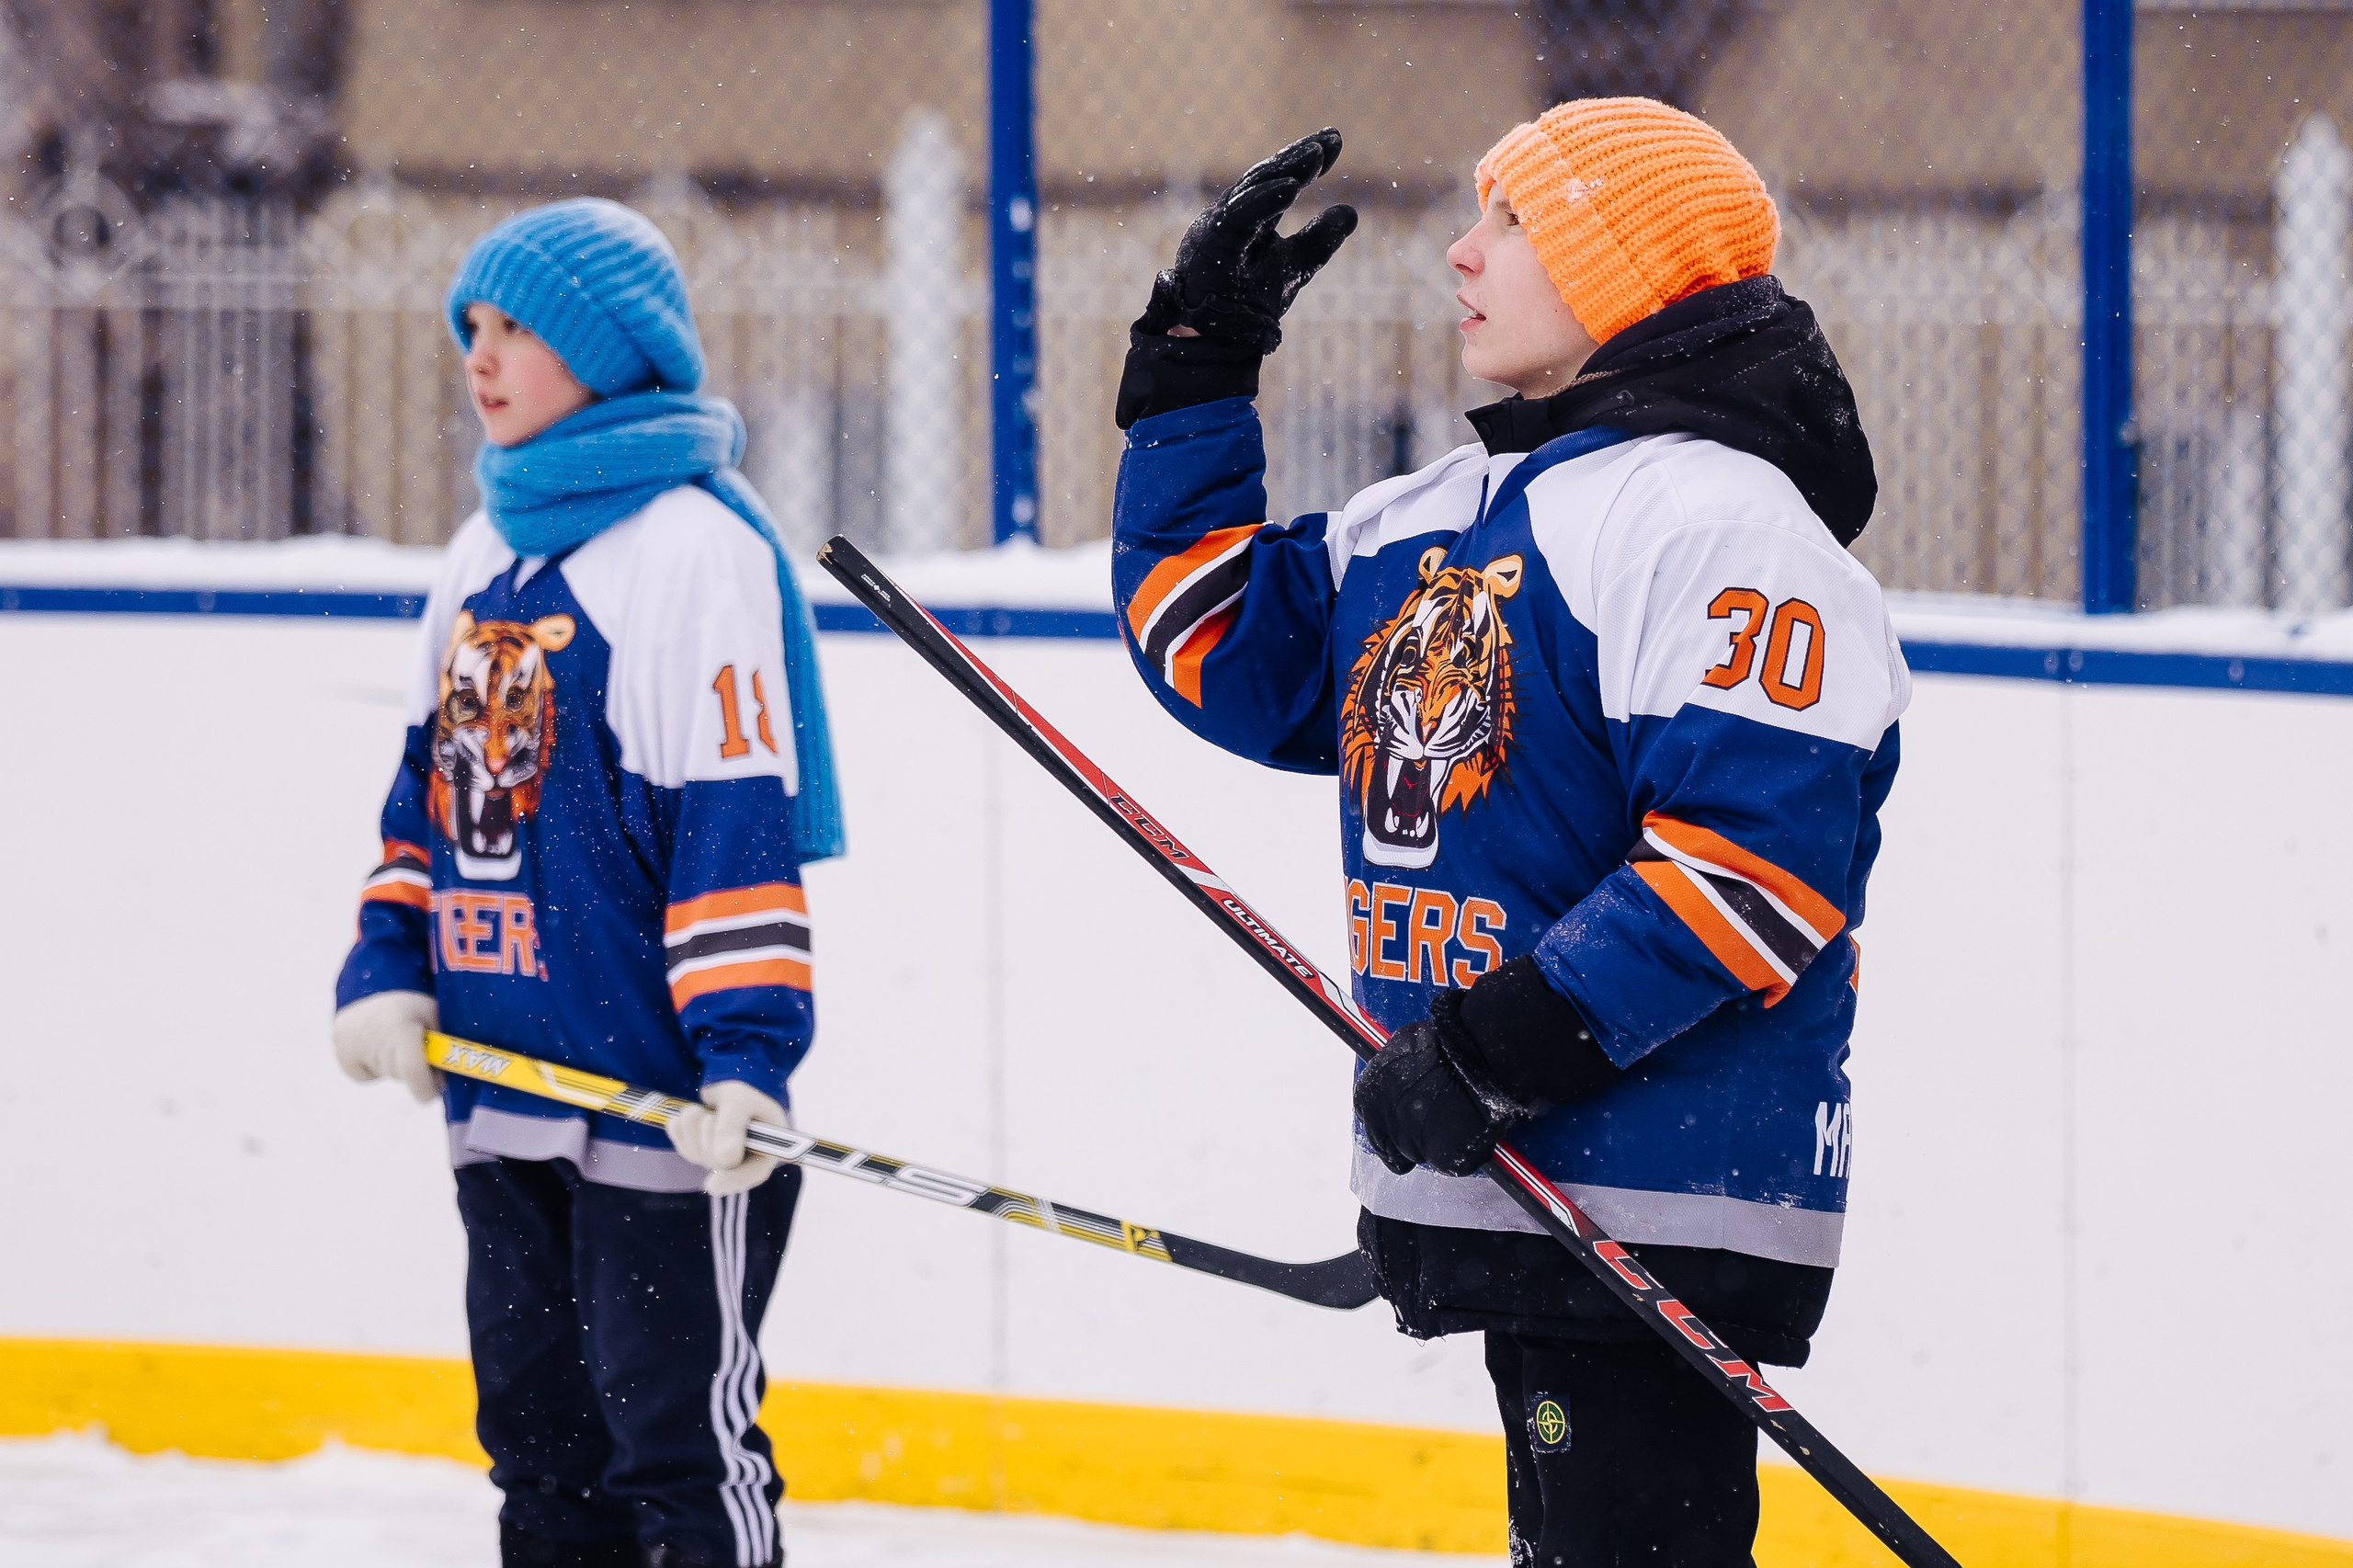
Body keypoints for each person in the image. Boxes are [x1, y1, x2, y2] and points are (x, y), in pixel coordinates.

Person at [1109, 105, 1901, 1567]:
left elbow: (1755, 868)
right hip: (1518, 1170)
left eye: (1519, 222)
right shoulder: (1447, 510)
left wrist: (1489, 1052)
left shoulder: (1722, 526)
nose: (1464, 252)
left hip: (1645, 1182)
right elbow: (1210, 634)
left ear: (1630, 262)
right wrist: (1192, 379)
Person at [330, 198, 843, 1568]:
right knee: (540, 1448)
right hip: (501, 1086)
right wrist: (388, 967)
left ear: (612, 354)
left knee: (679, 1452)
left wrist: (744, 1059)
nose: (481, 358)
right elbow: (425, 799)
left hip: (663, 1111)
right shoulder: (476, 551)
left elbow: (736, 834)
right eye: (471, 330)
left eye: (519, 330)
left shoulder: (692, 552)